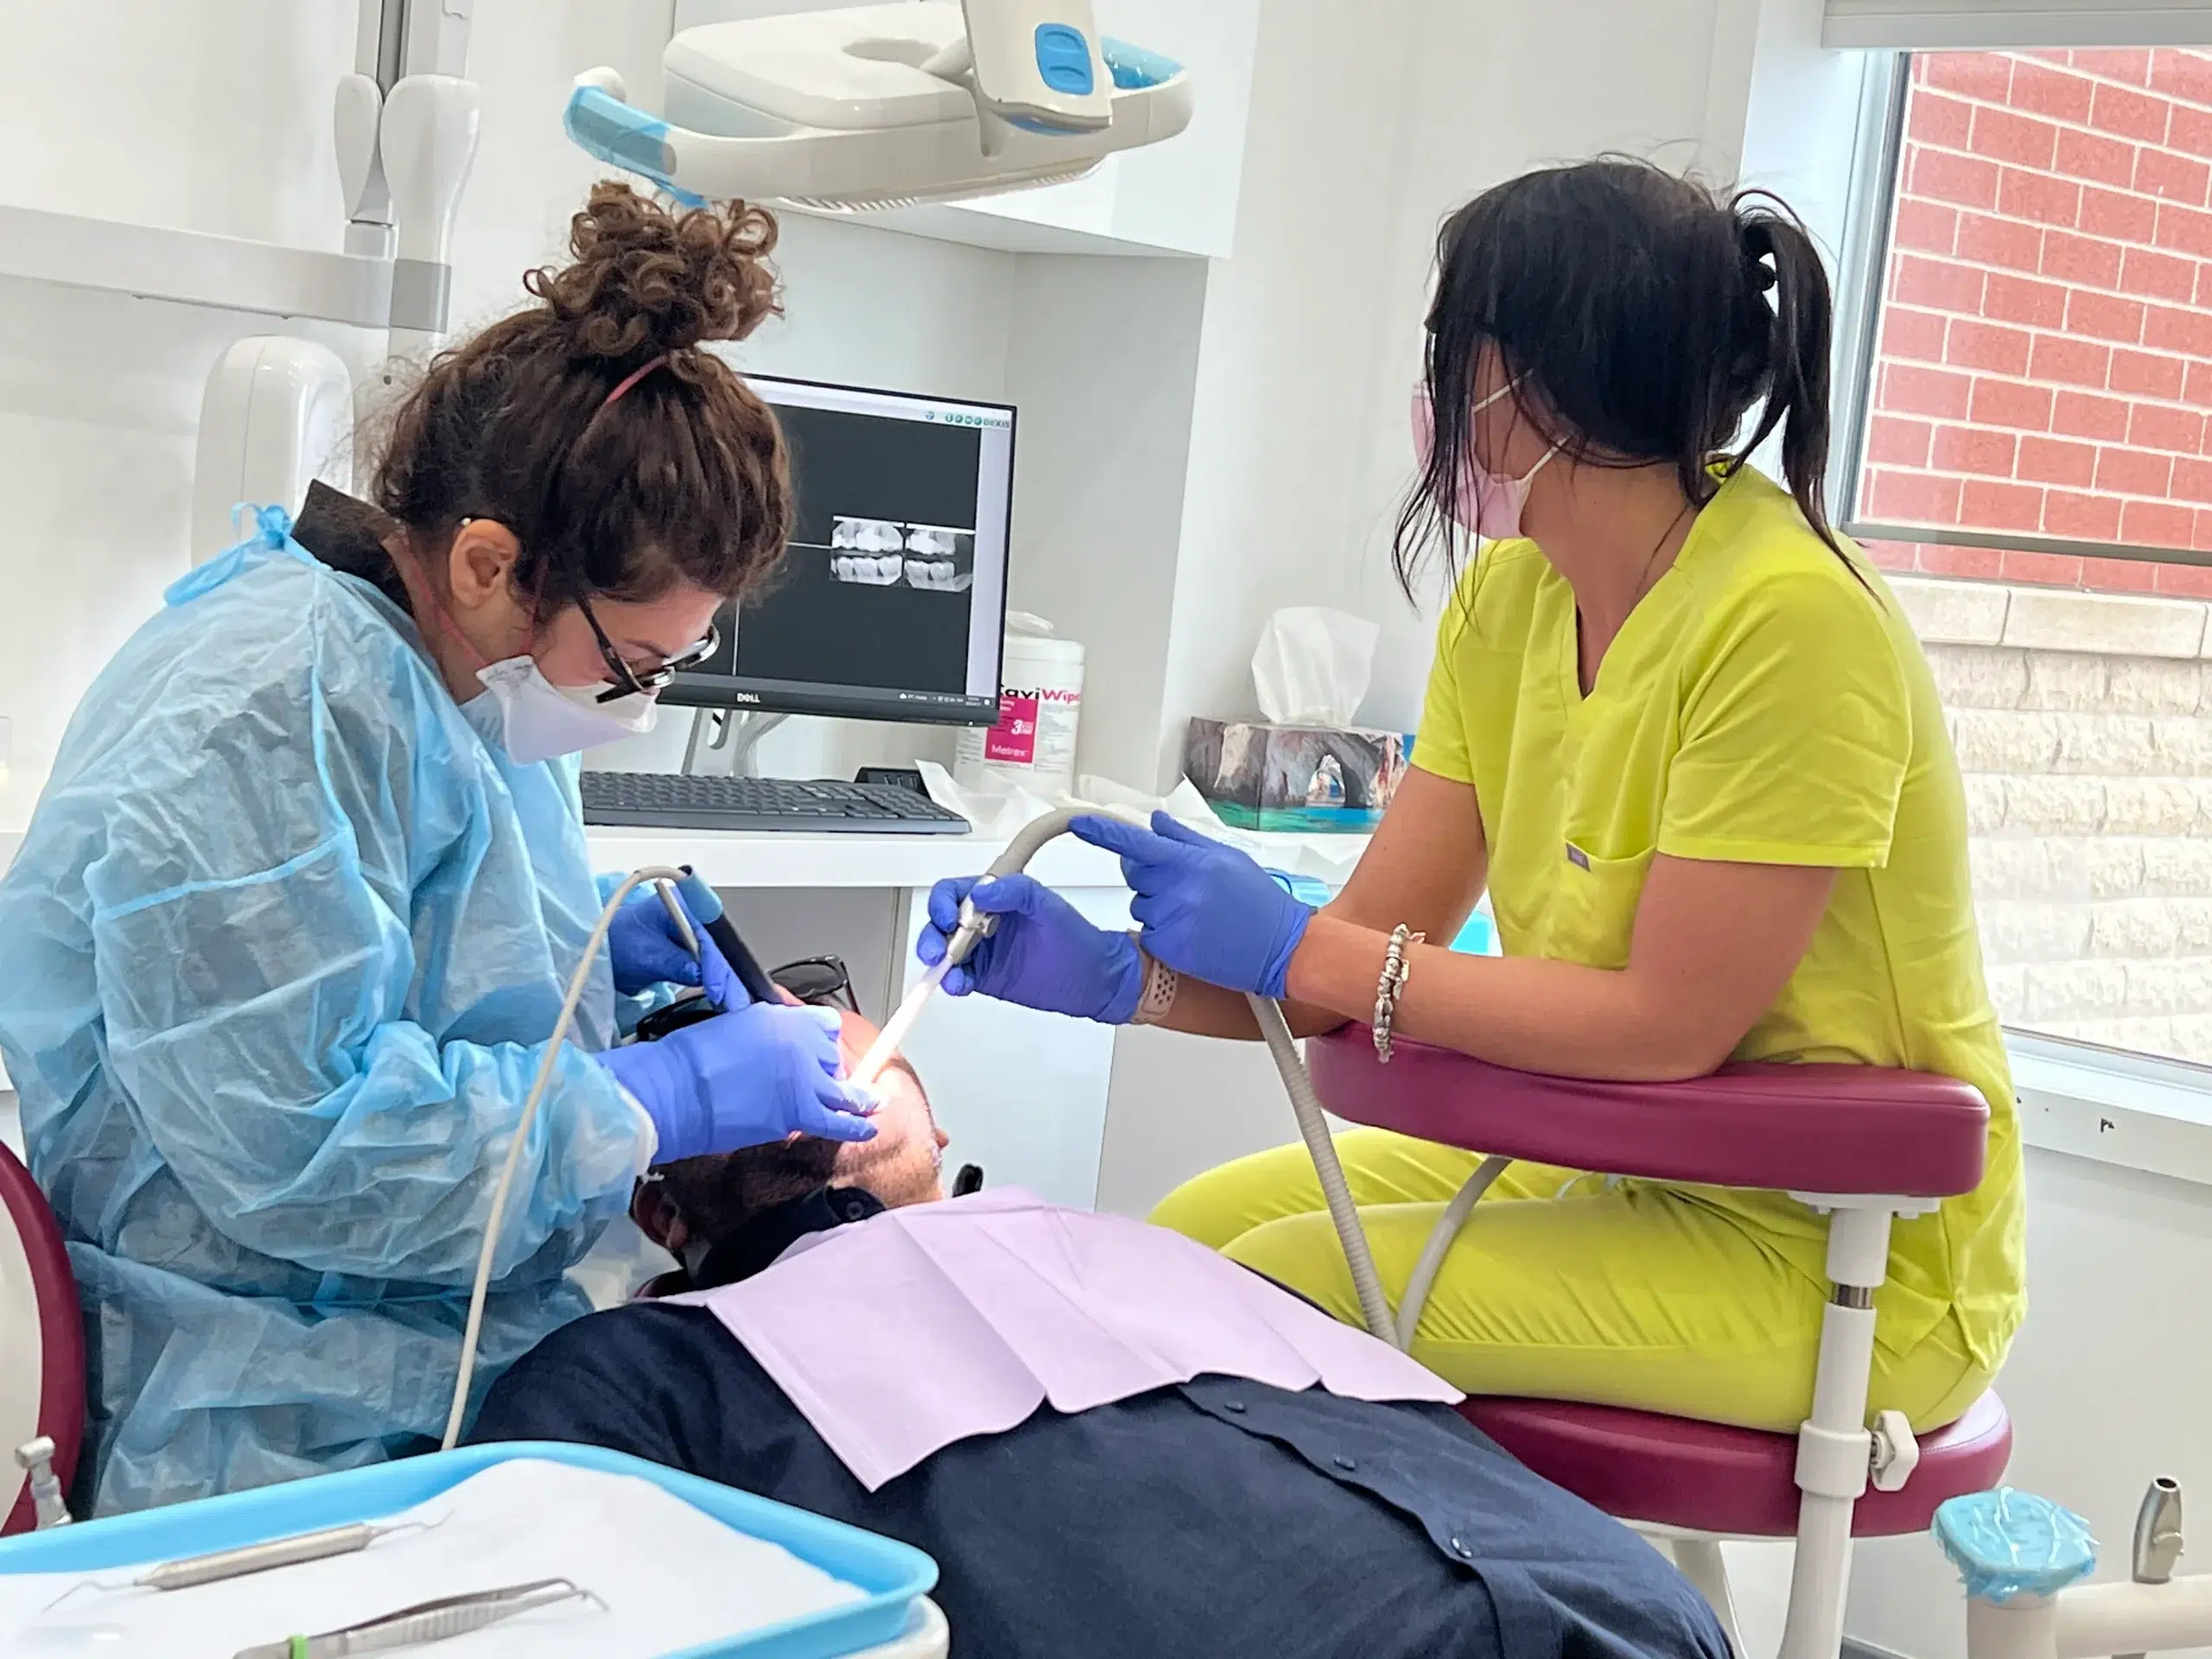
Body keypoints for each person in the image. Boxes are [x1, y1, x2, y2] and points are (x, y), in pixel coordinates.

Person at [918, 158, 2024, 1436]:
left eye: (1451, 344)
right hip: (1617, 1171)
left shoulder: (1794, 622)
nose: (1433, 388)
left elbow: (1669, 1024)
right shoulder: (1512, 603)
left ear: (1539, 376)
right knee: (1183, 1238)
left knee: (1255, 1294)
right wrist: (1127, 981)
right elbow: (1359, 966)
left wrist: (1298, 942)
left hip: (1841, 1252)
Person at [0, 182, 876, 1516]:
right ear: (486, 561)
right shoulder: (264, 712)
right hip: (268, 1393)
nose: (638, 699)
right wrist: (655, 1103)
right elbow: (304, 1154)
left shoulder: (447, 679)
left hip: (433, 1327)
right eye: (633, 660)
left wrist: (592, 946)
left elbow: (416, 933)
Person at [469, 1007, 1732, 1659]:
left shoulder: (1143, 1253)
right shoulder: (648, 1370)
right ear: (653, 1200)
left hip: (1605, 1618)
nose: (788, 1038)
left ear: (936, 1122)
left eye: (824, 1016)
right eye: (714, 1054)